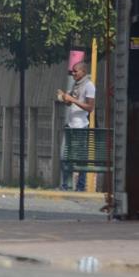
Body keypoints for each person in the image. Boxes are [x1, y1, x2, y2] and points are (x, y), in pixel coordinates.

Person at [59, 61, 95, 191]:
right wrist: (66, 99)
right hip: (71, 125)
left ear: (83, 72)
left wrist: (73, 100)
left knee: (80, 158)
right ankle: (65, 185)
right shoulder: (75, 85)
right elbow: (71, 104)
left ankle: (80, 186)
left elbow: (90, 107)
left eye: (76, 71)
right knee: (65, 156)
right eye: (72, 71)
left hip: (81, 126)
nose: (73, 73)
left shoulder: (89, 85)